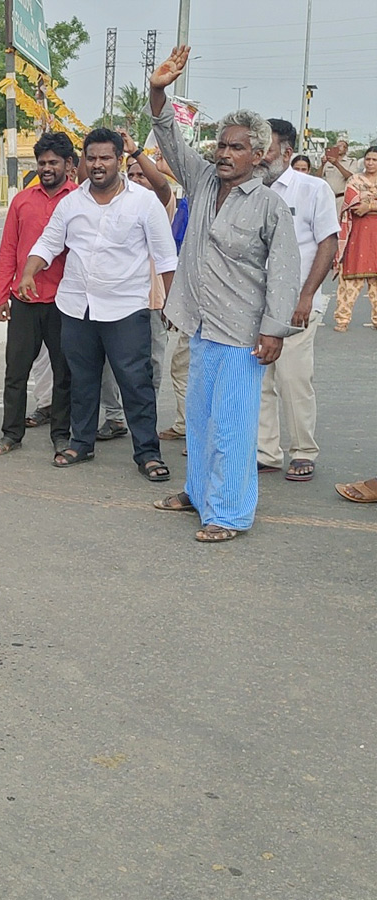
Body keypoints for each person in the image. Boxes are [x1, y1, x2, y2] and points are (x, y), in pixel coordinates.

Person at [149, 46, 301, 542]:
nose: (225, 153)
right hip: (200, 325)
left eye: (237, 148)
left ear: (258, 155)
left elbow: (283, 272)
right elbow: (169, 139)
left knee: (233, 429)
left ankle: (230, 513)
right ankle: (198, 493)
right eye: (221, 144)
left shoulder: (269, 206)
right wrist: (158, 91)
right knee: (198, 420)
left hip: (241, 334)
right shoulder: (201, 178)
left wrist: (274, 329)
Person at [20, 127, 178, 482]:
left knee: (135, 382)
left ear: (119, 160)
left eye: (106, 157)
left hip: (126, 309)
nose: (98, 164)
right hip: (77, 307)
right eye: (91, 158)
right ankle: (80, 442)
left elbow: (166, 258)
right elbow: (48, 244)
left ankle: (148, 453)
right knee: (82, 379)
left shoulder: (143, 202)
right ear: (84, 161)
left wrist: (172, 306)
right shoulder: (71, 203)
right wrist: (29, 273)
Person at [253, 119, 339, 482]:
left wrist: (306, 297)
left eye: (267, 148)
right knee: (259, 382)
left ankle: (303, 450)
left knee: (293, 379)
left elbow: (327, 243)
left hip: (297, 305)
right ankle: (266, 452)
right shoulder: (248, 189)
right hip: (255, 304)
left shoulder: (312, 189)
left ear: (286, 153)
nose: (260, 156)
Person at [0, 133, 78, 457]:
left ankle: (61, 436)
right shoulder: (22, 201)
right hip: (24, 301)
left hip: (63, 301)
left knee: (64, 372)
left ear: (68, 164)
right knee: (16, 371)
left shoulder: (79, 200)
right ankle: (11, 434)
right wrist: (0, 296)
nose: (46, 168)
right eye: (42, 162)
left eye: (53, 162)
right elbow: (8, 250)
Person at [96, 130, 177, 444]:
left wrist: (136, 152)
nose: (139, 179)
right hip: (113, 300)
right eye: (133, 175)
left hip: (153, 300)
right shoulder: (111, 205)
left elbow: (162, 186)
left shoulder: (157, 207)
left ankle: (145, 419)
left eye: (143, 175)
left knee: (151, 365)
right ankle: (114, 417)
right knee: (105, 363)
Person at [332, 146, 377, 332]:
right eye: (368, 159)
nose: (371, 163)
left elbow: (361, 204)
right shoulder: (354, 179)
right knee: (349, 277)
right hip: (358, 234)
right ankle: (342, 320)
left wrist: (369, 205)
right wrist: (368, 205)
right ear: (363, 161)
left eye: (375, 160)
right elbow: (352, 204)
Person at [319, 138, 354, 216]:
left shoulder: (351, 161)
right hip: (327, 197)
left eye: (341, 146)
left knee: (340, 222)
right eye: (337, 146)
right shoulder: (327, 161)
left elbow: (351, 178)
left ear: (346, 149)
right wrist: (322, 164)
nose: (339, 148)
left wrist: (336, 164)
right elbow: (318, 178)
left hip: (341, 198)